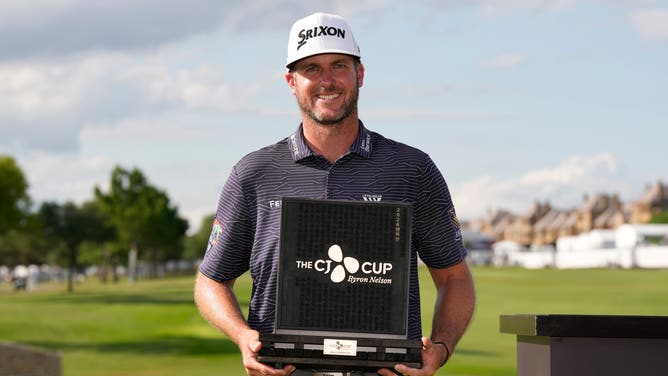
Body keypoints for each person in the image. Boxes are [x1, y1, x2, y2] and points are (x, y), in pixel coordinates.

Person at [194, 12, 476, 376]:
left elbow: (454, 278)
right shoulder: (254, 173)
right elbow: (211, 281)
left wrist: (440, 347)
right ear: (291, 82)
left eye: (338, 65)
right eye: (311, 69)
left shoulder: (411, 169)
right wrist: (241, 335)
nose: (326, 80)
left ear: (359, 74)